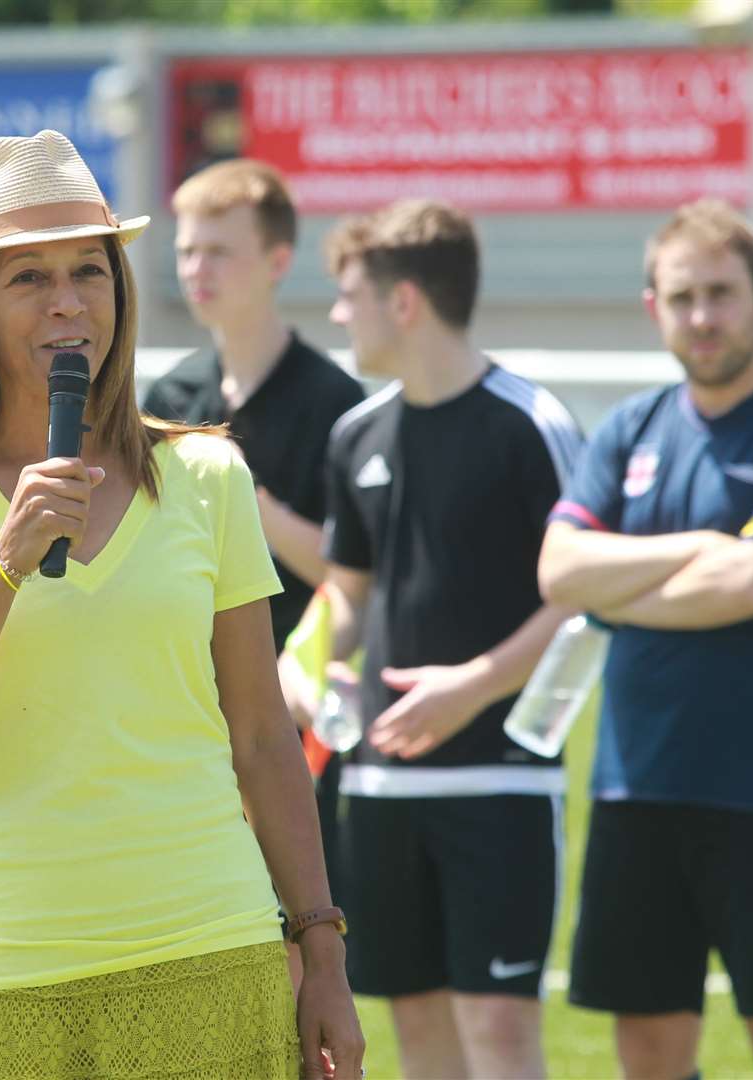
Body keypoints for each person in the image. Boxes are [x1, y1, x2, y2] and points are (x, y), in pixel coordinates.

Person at [0, 130, 364, 1080]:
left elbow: (261, 737)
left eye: (90, 270)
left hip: (209, 951)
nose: (67, 303)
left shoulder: (207, 475)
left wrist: (323, 954)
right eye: (28, 278)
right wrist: (2, 564)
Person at [539, 198, 753, 1080]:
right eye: (683, 297)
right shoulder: (630, 428)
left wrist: (623, 588)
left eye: (722, 294)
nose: (704, 317)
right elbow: (560, 572)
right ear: (654, 305)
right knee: (647, 1044)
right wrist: (696, 551)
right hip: (633, 783)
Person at [282, 200, 584, 1079]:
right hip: (375, 783)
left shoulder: (531, 423)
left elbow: (580, 603)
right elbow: (347, 591)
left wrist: (475, 684)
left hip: (500, 778)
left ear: (403, 300)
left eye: (349, 296)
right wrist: (300, 669)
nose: (339, 316)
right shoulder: (357, 435)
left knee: (498, 1031)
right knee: (414, 1029)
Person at [143, 158, 366, 654]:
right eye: (187, 251)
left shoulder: (335, 402)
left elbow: (354, 578)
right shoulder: (169, 395)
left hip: (289, 685)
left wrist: (244, 493)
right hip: (185, 678)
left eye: (219, 251)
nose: (197, 270)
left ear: (278, 262)